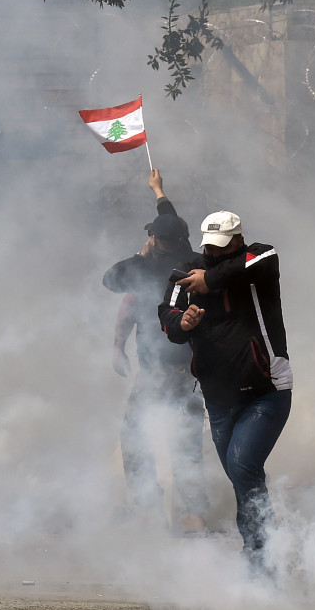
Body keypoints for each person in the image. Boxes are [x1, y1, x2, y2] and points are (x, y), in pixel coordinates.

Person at [159, 211, 292, 570]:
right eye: (209, 248)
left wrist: (211, 280)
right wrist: (181, 322)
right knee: (242, 474)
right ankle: (262, 545)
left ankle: (262, 552)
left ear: (237, 241)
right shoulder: (186, 272)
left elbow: (263, 259)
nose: (214, 254)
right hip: (218, 398)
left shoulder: (257, 260)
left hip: (267, 389)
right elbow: (167, 315)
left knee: (241, 463)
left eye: (222, 247)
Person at [103, 169, 209, 533]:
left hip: (159, 371)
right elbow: (172, 225)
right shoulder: (198, 263)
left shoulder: (146, 268)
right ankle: (193, 512)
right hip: (195, 370)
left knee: (134, 437)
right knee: (187, 438)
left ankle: (149, 506)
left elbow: (110, 280)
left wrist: (141, 255)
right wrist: (159, 191)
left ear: (156, 241)